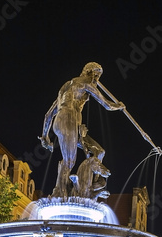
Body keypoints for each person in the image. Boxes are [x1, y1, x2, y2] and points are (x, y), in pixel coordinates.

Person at [40, 62, 125, 196]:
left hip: (70, 124)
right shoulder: (85, 82)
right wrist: (119, 106)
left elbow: (48, 115)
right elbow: (106, 104)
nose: (97, 79)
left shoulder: (66, 88)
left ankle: (89, 187)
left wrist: (45, 136)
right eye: (96, 75)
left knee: (99, 151)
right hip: (68, 119)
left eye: (98, 77)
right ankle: (59, 193)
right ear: (89, 72)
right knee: (69, 161)